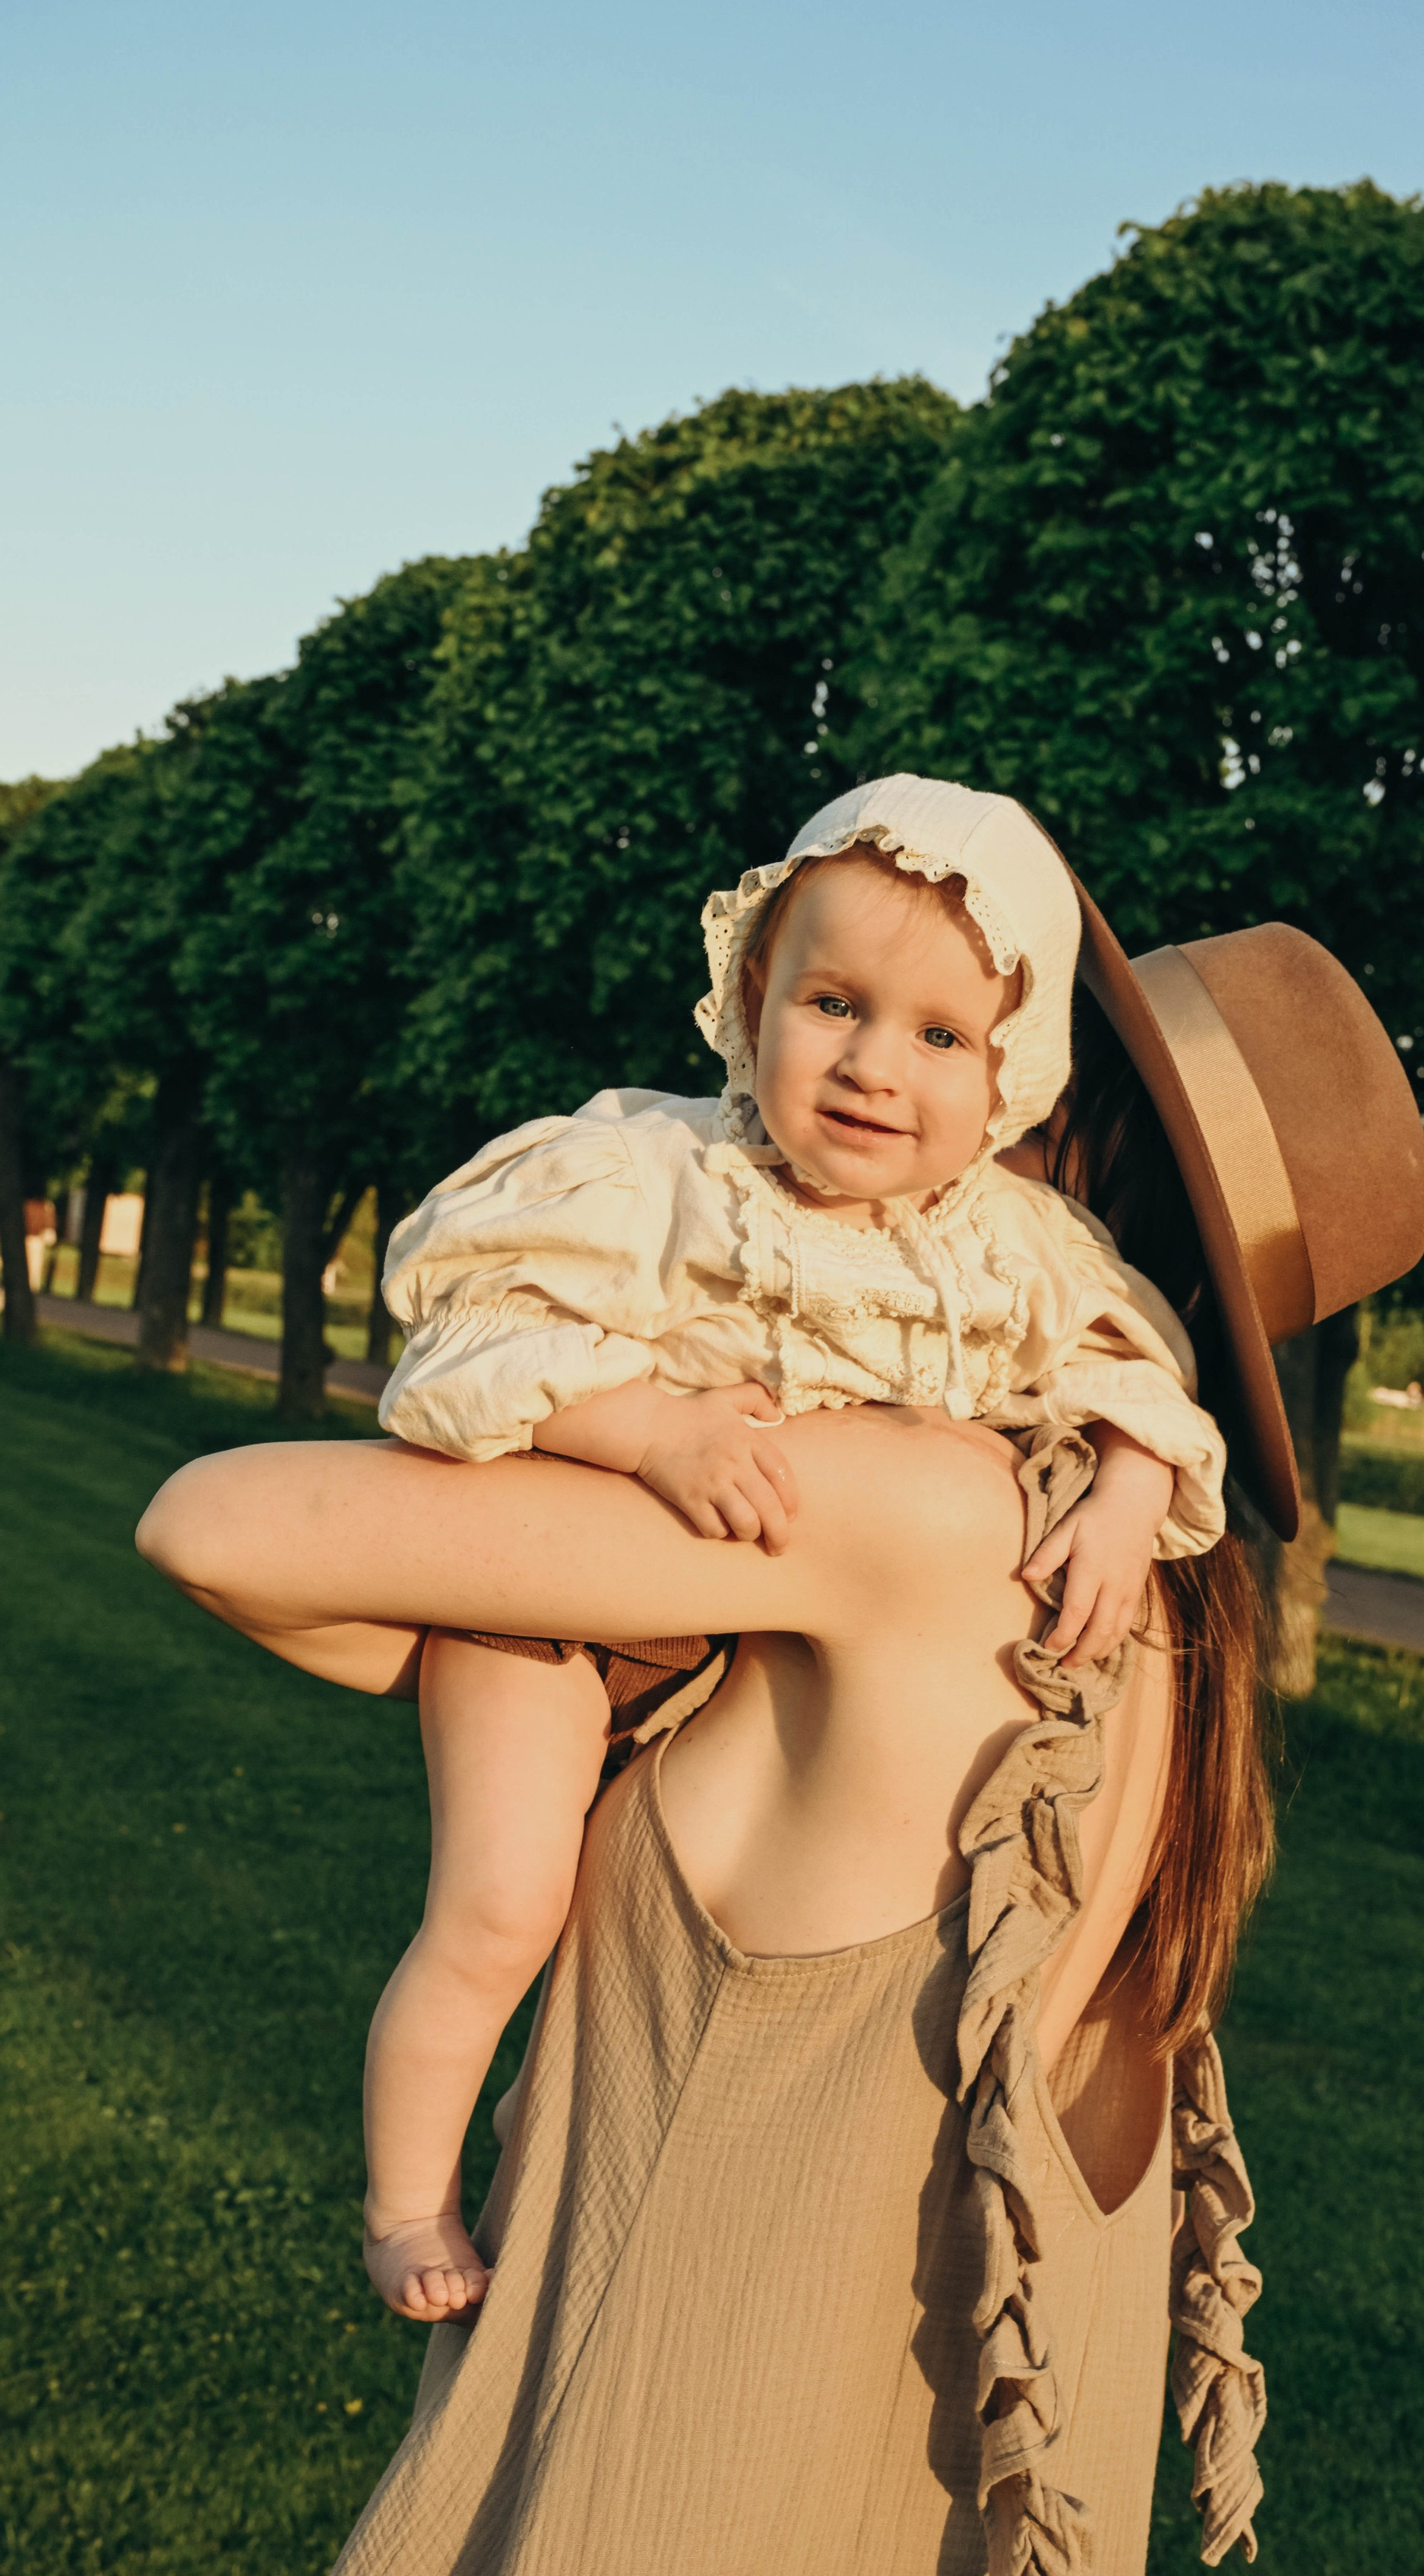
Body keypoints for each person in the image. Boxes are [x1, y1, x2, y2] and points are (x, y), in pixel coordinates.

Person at [137, 867, 1424, 2576]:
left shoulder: (907, 1504)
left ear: (1040, 1132)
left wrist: (633, 1430)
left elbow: (220, 1529)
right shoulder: (1166, 1629)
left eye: (978, 1049)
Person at [360, 776, 1229, 2322]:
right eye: (833, 1003)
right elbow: (456, 1352)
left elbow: (1131, 1377)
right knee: (501, 1900)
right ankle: (403, 2203)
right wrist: (651, 1431)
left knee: (631, 1945)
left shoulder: (1003, 1251)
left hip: (765, 1654)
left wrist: (1114, 1487)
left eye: (939, 1036)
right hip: (570, 1602)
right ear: (752, 994)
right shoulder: (657, 1176)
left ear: (1009, 1081)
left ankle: (542, 2162)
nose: (872, 1066)